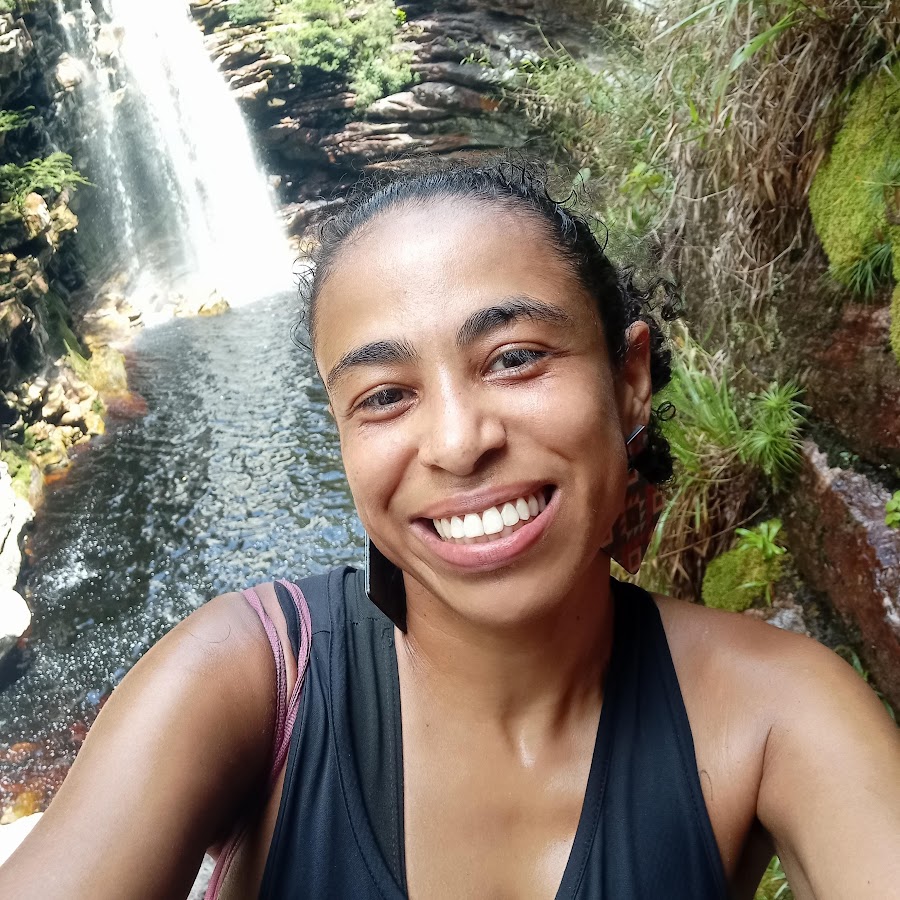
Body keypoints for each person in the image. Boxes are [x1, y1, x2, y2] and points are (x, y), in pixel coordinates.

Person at [1, 158, 898, 900]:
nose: (460, 442)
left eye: (515, 358)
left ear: (629, 381)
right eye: (384, 396)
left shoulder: (775, 713)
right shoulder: (245, 678)